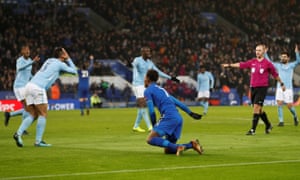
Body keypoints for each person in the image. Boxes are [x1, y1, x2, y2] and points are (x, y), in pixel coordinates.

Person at [13, 47, 77, 147]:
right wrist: (68, 59)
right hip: (38, 88)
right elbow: (75, 71)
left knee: (33, 114)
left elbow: (54, 72)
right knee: (43, 114)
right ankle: (38, 142)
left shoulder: (49, 60)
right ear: (62, 55)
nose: (66, 54)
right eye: (65, 52)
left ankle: (18, 133)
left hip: (29, 85)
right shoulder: (60, 64)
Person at [222, 44, 285, 135]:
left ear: (263, 51)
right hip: (253, 88)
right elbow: (241, 64)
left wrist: (282, 83)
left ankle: (252, 130)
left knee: (256, 108)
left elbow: (275, 75)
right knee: (259, 110)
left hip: (262, 88)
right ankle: (268, 124)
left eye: (259, 50)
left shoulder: (268, 64)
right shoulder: (252, 62)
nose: (257, 52)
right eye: (256, 50)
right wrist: (229, 65)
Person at [144, 69, 203, 156]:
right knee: (168, 150)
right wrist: (190, 113)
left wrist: (153, 127)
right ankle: (191, 144)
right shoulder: (162, 90)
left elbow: (151, 111)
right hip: (178, 119)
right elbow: (178, 103)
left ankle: (178, 147)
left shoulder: (148, 91)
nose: (144, 79)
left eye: (145, 77)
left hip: (168, 117)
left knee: (150, 139)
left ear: (148, 78)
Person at [131, 46, 180, 132]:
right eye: (146, 51)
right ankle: (150, 127)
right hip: (138, 84)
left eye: (149, 51)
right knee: (143, 105)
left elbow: (158, 72)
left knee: (142, 105)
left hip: (144, 85)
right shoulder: (137, 60)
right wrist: (135, 78)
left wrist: (171, 78)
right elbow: (134, 69)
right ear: (142, 53)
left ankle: (136, 126)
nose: (149, 53)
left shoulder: (150, 63)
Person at [4, 45, 40, 134]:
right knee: (29, 108)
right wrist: (32, 62)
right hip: (19, 87)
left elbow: (28, 75)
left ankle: (9, 114)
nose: (28, 51)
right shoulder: (20, 60)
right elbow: (20, 68)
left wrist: (36, 78)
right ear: (22, 52)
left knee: (30, 107)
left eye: (28, 49)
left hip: (26, 87)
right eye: (25, 50)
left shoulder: (29, 61)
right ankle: (22, 129)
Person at [265, 45, 300, 126]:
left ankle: (295, 117)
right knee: (279, 103)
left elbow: (298, 61)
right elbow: (269, 63)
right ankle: (281, 121)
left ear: (288, 58)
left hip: (288, 89)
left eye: (285, 57)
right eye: (282, 57)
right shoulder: (278, 65)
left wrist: (297, 53)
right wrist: (266, 53)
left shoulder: (291, 65)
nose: (283, 58)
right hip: (279, 87)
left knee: (289, 106)